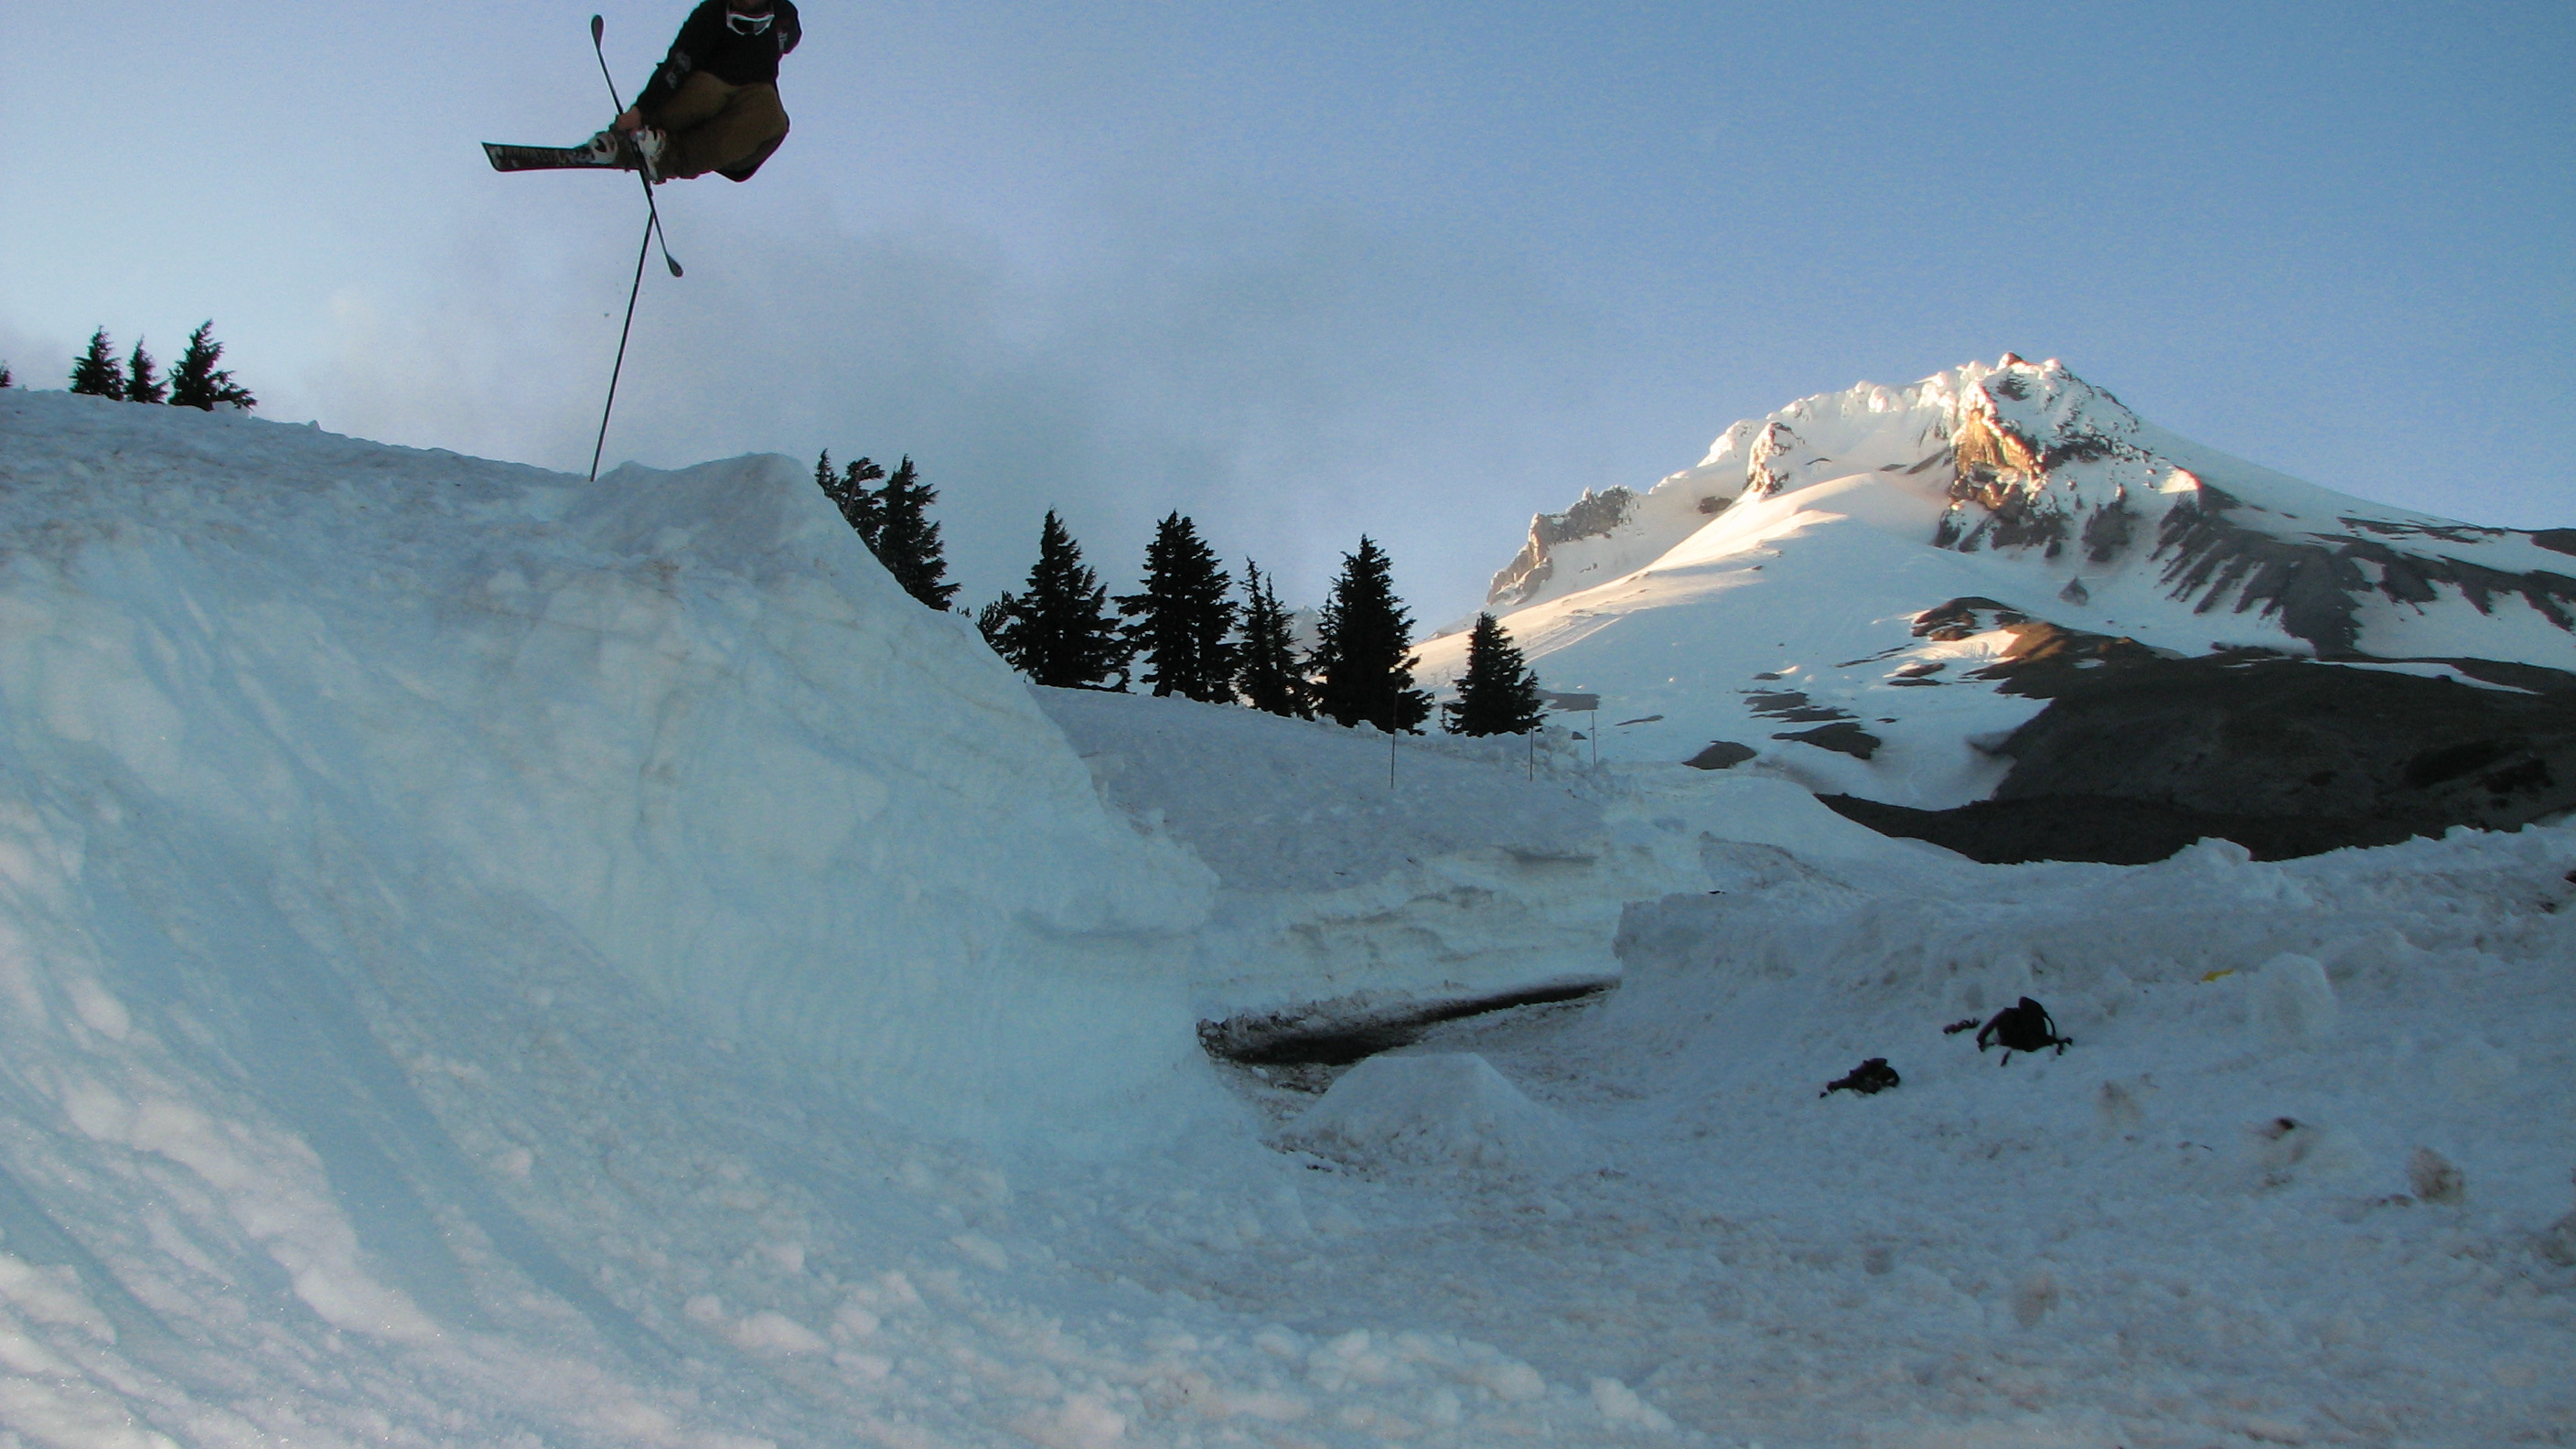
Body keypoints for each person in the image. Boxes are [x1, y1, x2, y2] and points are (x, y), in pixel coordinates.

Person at [592, 0, 801, 182]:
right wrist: (641, 110)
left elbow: (790, 35)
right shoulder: (711, 15)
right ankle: (632, 138)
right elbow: (678, 64)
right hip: (687, 102)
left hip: (723, 134)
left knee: (771, 116)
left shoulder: (782, 18)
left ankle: (665, 156)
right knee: (711, 91)